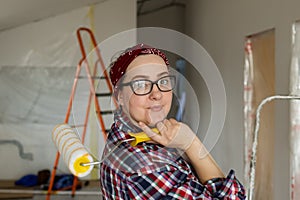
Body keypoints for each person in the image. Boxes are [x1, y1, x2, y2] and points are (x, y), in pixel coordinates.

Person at [100, 43, 246, 199]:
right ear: (119, 96)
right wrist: (190, 143)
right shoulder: (144, 167)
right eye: (141, 84)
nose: (157, 94)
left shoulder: (125, 131)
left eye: (163, 81)